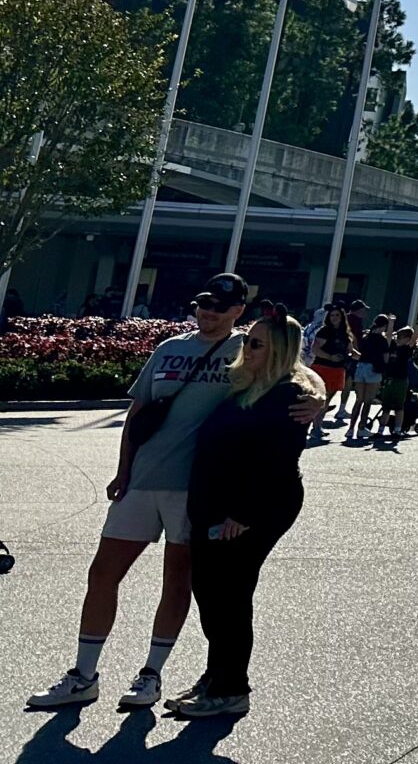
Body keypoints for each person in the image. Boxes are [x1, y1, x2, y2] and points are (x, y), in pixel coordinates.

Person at [26, 273, 319, 715]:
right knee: (104, 574)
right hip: (144, 481)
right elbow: (138, 411)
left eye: (220, 306)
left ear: (239, 310)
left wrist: (320, 398)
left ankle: (152, 675)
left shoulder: (248, 349)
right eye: (204, 303)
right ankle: (83, 675)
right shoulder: (170, 348)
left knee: (185, 584)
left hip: (197, 492)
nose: (209, 312)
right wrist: (122, 471)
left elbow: (297, 373)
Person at [163, 314, 324, 720]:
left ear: (280, 351)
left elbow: (277, 460)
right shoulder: (248, 385)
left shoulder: (288, 395)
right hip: (214, 505)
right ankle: (218, 675)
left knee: (228, 596)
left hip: (251, 510)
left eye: (256, 344)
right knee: (210, 591)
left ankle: (231, 687)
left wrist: (242, 513)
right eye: (247, 341)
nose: (246, 349)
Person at [308, 304, 354, 431]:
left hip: (338, 369)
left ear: (342, 317)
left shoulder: (345, 333)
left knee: (328, 399)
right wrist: (330, 357)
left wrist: (363, 357)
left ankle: (318, 425)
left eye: (337, 315)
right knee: (321, 398)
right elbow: (315, 349)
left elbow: (350, 350)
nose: (334, 318)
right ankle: (315, 427)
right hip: (323, 367)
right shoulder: (325, 331)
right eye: (332, 315)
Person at [346, 313, 391, 442]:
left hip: (361, 367)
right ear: (384, 326)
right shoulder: (382, 340)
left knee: (358, 400)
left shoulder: (366, 337)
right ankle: (361, 428)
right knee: (368, 401)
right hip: (373, 369)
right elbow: (386, 359)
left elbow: (359, 351)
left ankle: (350, 429)